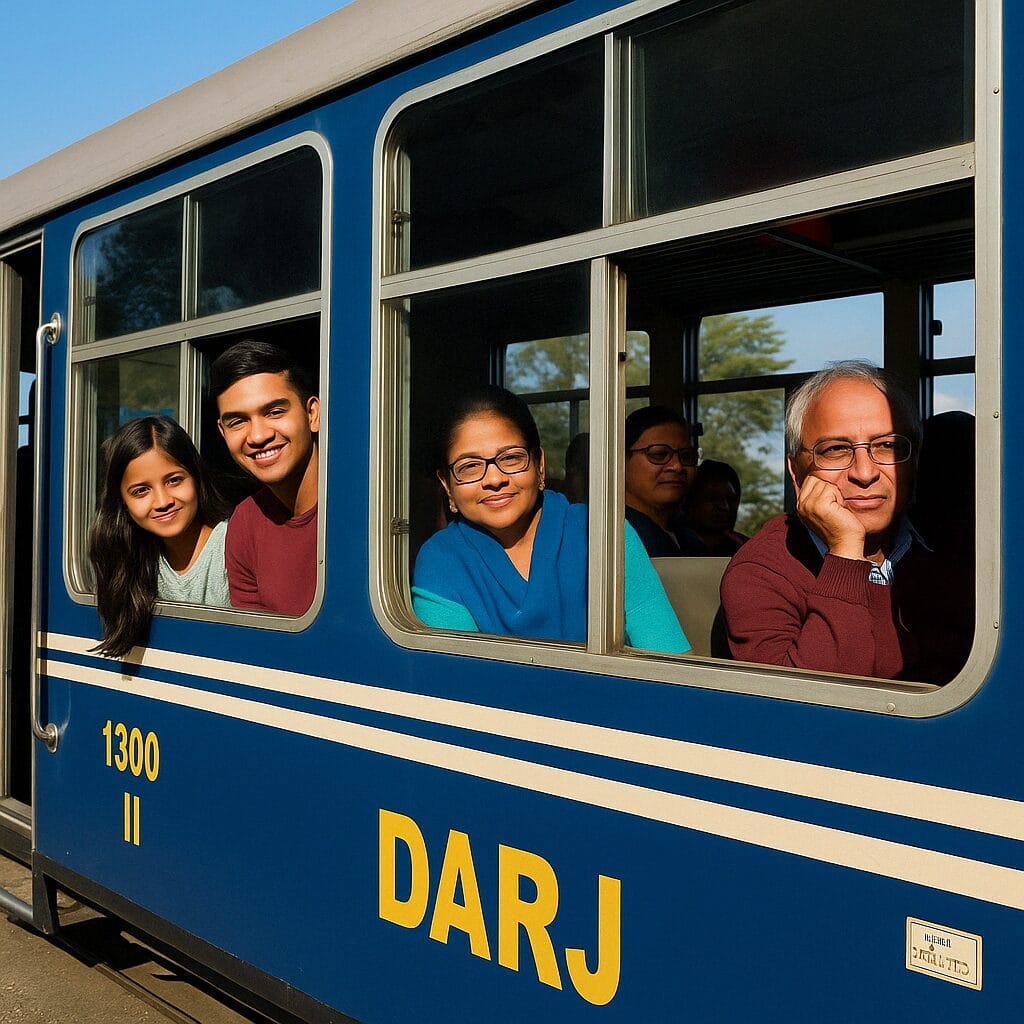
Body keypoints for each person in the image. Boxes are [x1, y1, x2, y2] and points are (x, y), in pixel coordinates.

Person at [719, 361, 971, 684]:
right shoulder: (759, 573)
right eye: (836, 450)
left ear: (915, 462)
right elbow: (813, 708)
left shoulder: (952, 547)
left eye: (888, 446)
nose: (865, 473)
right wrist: (846, 552)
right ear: (796, 473)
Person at [413, 386, 690, 652]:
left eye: (511, 458)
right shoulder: (441, 559)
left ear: (540, 464)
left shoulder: (600, 533)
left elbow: (669, 661)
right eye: (470, 466)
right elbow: (456, 684)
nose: (495, 479)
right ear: (447, 485)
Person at [89, 416, 230, 658]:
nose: (163, 502)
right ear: (122, 501)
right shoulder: (132, 557)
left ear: (196, 478)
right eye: (141, 491)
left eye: (174, 480)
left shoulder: (230, 545)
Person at [210, 339, 319, 615]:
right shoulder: (245, 524)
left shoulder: (367, 501)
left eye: (275, 412)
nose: (258, 436)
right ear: (223, 433)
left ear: (312, 414)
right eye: (238, 422)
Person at [624, 405, 706, 557]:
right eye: (659, 454)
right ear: (621, 462)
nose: (677, 466)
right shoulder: (612, 536)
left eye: (687, 456)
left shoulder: (689, 539)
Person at [684, 459, 748, 557]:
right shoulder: (667, 545)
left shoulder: (748, 549)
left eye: (730, 499)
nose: (725, 506)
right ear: (691, 500)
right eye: (714, 498)